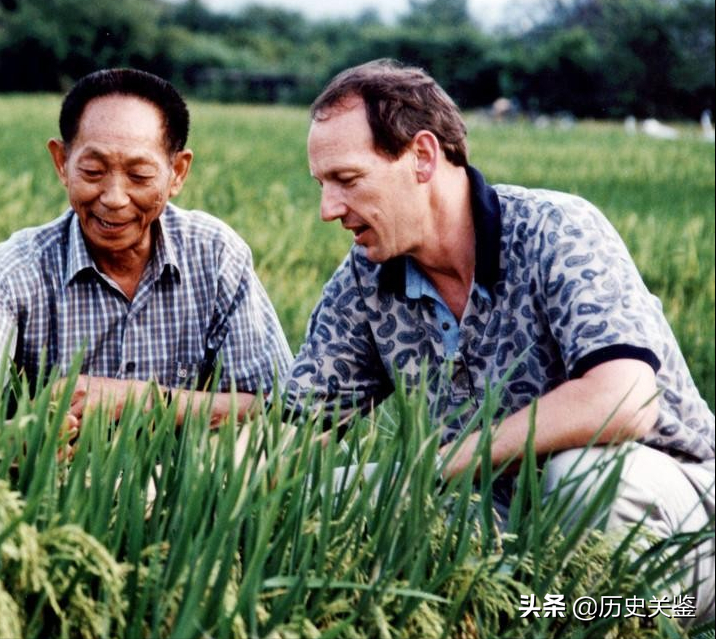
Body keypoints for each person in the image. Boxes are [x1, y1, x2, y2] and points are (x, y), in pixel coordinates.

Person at [284, 59, 714, 623]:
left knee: (579, 479)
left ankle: (604, 625)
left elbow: (625, 398)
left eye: (347, 180)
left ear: (422, 156)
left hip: (676, 521)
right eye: (322, 185)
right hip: (503, 519)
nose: (328, 209)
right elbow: (295, 433)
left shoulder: (556, 228)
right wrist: (172, 488)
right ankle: (514, 614)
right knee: (324, 497)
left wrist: (446, 463)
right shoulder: (366, 277)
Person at [0, 68, 291, 429]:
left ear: (178, 172)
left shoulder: (215, 255)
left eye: (139, 176)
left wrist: (135, 400)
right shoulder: (8, 273)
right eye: (93, 171)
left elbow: (277, 402)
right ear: (62, 163)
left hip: (184, 481)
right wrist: (10, 443)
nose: (114, 198)